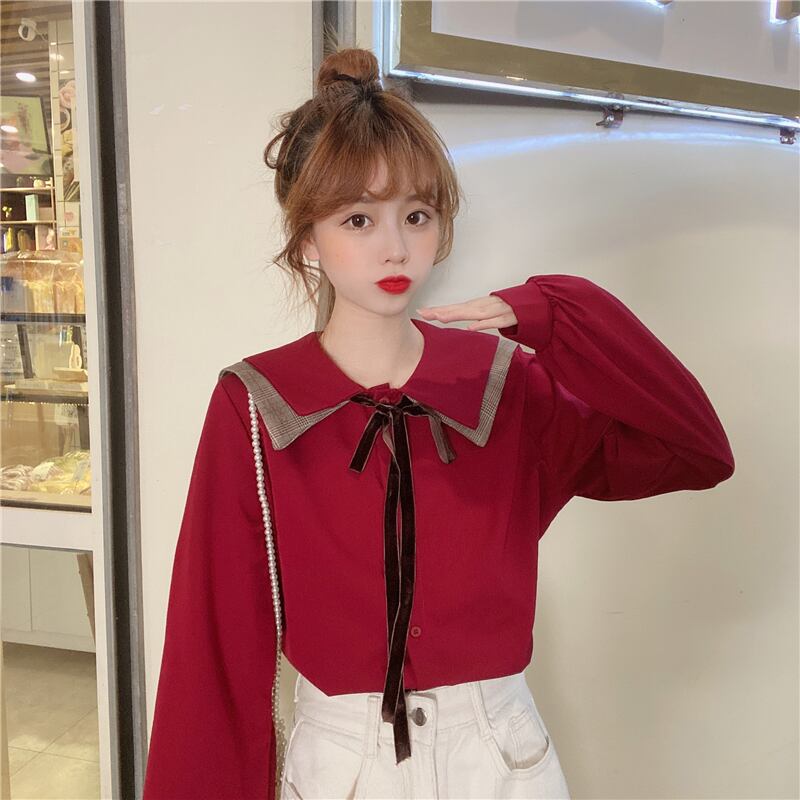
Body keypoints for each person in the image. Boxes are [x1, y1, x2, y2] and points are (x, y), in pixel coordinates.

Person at [141, 46, 735, 800]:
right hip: (341, 769)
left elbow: (694, 450)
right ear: (307, 240)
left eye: (416, 216)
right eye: (359, 219)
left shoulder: (503, 384)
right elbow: (215, 644)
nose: (396, 247)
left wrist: (556, 314)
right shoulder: (257, 403)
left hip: (502, 760)